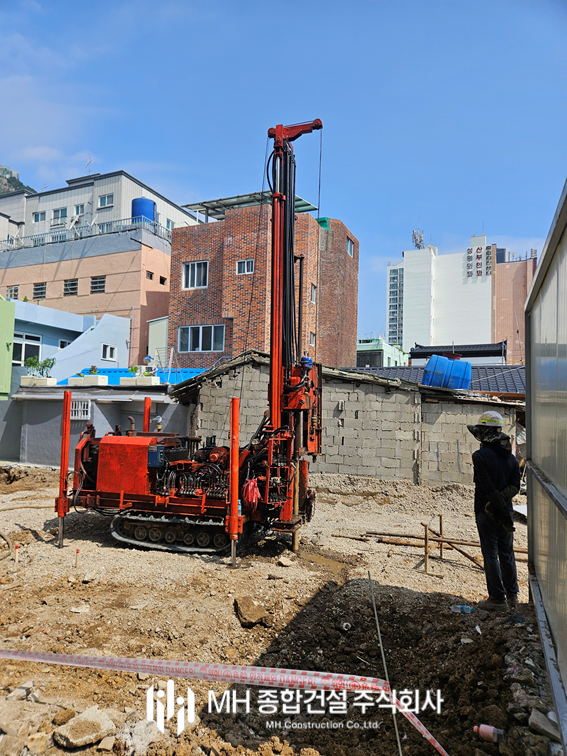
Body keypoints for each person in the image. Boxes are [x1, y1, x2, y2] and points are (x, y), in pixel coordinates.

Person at [467, 411, 520, 611]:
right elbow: (515, 486)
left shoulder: (479, 456)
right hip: (506, 512)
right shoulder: (511, 459)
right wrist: (503, 507)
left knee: (490, 554)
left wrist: (492, 505)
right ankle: (512, 595)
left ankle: (497, 599)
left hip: (486, 511)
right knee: (507, 553)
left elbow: (488, 487)